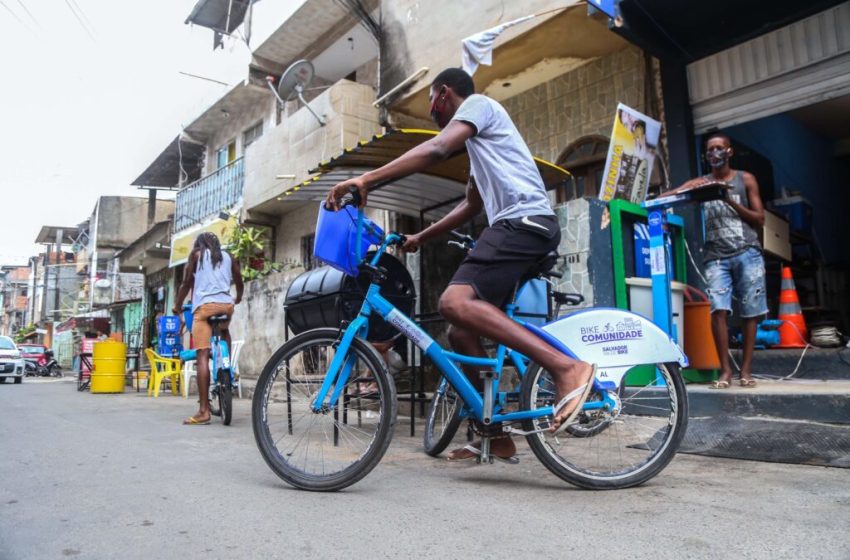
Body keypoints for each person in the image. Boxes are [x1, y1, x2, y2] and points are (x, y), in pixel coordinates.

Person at [326, 67, 595, 462]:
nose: (435, 116)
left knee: (454, 301)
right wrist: (420, 237)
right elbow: (472, 204)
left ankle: (565, 367)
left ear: (444, 94)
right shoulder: (479, 144)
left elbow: (436, 149)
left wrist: (367, 180)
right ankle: (494, 433)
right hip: (517, 225)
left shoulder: (479, 106)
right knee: (459, 332)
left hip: (524, 222)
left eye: (433, 106)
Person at [669, 132, 767, 388]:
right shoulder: (702, 183)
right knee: (718, 309)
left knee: (751, 312)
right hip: (716, 255)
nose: (714, 154)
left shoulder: (745, 179)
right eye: (709, 150)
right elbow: (676, 193)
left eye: (719, 148)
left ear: (729, 152)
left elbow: (759, 219)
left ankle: (745, 371)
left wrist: (728, 200)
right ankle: (725, 371)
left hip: (747, 250)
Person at [173, 232, 244, 425]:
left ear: (199, 244)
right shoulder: (229, 256)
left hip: (204, 308)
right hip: (225, 307)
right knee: (224, 331)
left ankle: (203, 411)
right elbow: (239, 280)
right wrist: (237, 298)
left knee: (202, 355)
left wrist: (177, 306)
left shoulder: (196, 255)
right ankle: (227, 369)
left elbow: (186, 283)